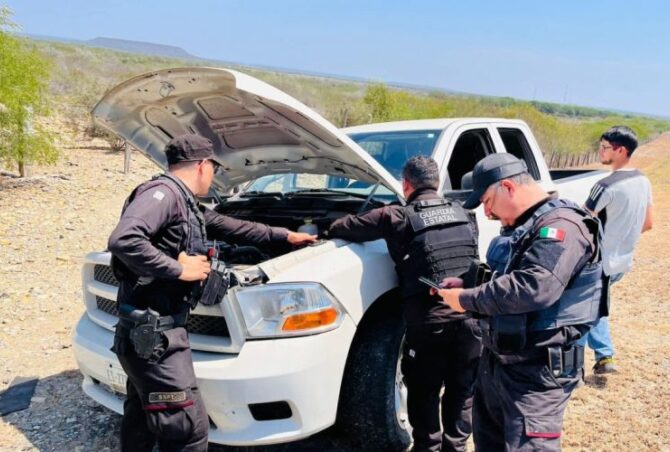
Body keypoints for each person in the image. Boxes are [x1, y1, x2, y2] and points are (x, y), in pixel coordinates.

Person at [108, 134, 317, 452]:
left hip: (147, 339)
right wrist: (179, 269)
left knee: (142, 419)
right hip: (155, 342)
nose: (214, 176)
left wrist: (285, 236)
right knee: (187, 430)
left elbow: (232, 226)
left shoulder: (185, 203)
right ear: (203, 165)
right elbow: (125, 240)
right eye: (214, 169)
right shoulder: (162, 193)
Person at [436, 153, 604, 451]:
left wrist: (466, 299)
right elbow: (509, 273)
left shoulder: (563, 227)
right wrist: (469, 283)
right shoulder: (527, 225)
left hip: (536, 373)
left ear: (508, 187)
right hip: (499, 362)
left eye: (487, 201)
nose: (486, 213)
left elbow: (533, 287)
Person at [328, 156, 481, 452]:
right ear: (437, 183)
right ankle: (456, 447)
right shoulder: (464, 213)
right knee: (462, 391)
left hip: (429, 326)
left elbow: (344, 227)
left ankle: (428, 447)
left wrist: (321, 227)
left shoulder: (394, 216)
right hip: (471, 321)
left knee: (424, 392)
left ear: (406, 184)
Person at [578, 125, 654, 374]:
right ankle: (604, 357)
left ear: (620, 150)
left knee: (578, 309)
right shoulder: (643, 181)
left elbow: (581, 223)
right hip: (622, 262)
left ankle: (573, 367)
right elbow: (648, 224)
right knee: (596, 306)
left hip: (597, 261)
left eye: (604, 147)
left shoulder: (605, 186)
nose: (600, 151)